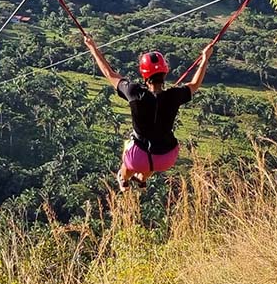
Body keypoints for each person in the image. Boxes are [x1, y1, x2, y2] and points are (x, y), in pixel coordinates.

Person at [83, 34, 215, 191]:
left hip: (138, 158)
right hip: (166, 158)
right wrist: (205, 58)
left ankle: (124, 179)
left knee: (131, 148)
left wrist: (93, 48)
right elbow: (194, 85)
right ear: (165, 72)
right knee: (154, 148)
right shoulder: (174, 95)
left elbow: (110, 74)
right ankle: (142, 178)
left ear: (144, 74)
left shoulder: (133, 92)